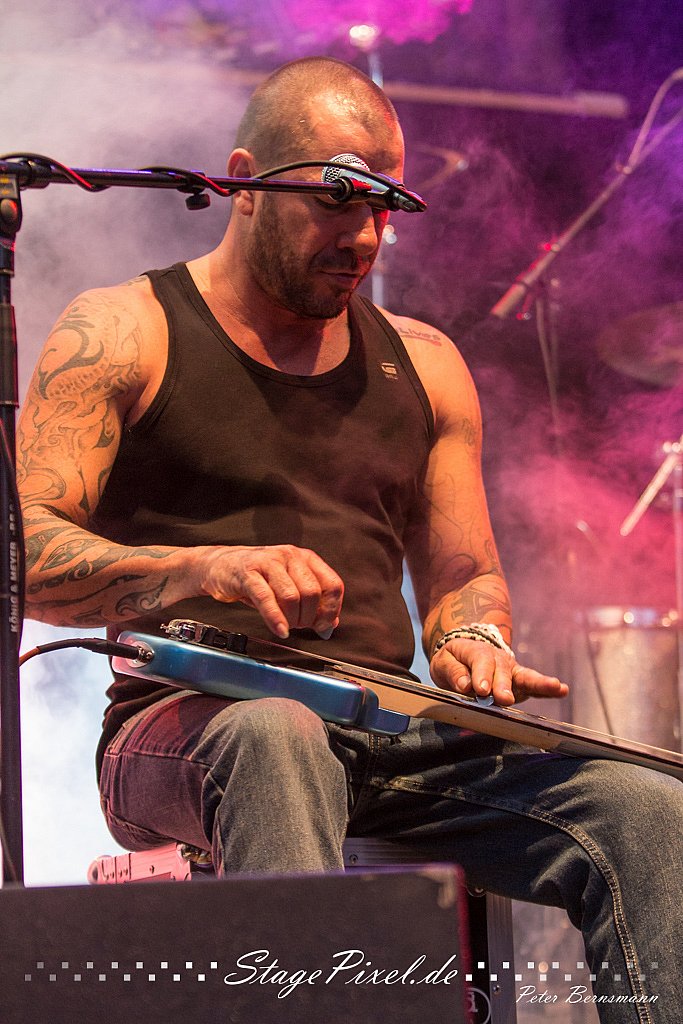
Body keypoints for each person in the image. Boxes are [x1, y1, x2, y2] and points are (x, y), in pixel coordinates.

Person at [16, 57, 682, 1020]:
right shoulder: (126, 330)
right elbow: (26, 560)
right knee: (277, 736)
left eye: (384, 206)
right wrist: (204, 568)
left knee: (650, 810)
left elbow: (464, 577)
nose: (365, 235)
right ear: (244, 181)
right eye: (336, 199)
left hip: (384, 728)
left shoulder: (427, 364)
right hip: (183, 728)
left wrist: (472, 636)